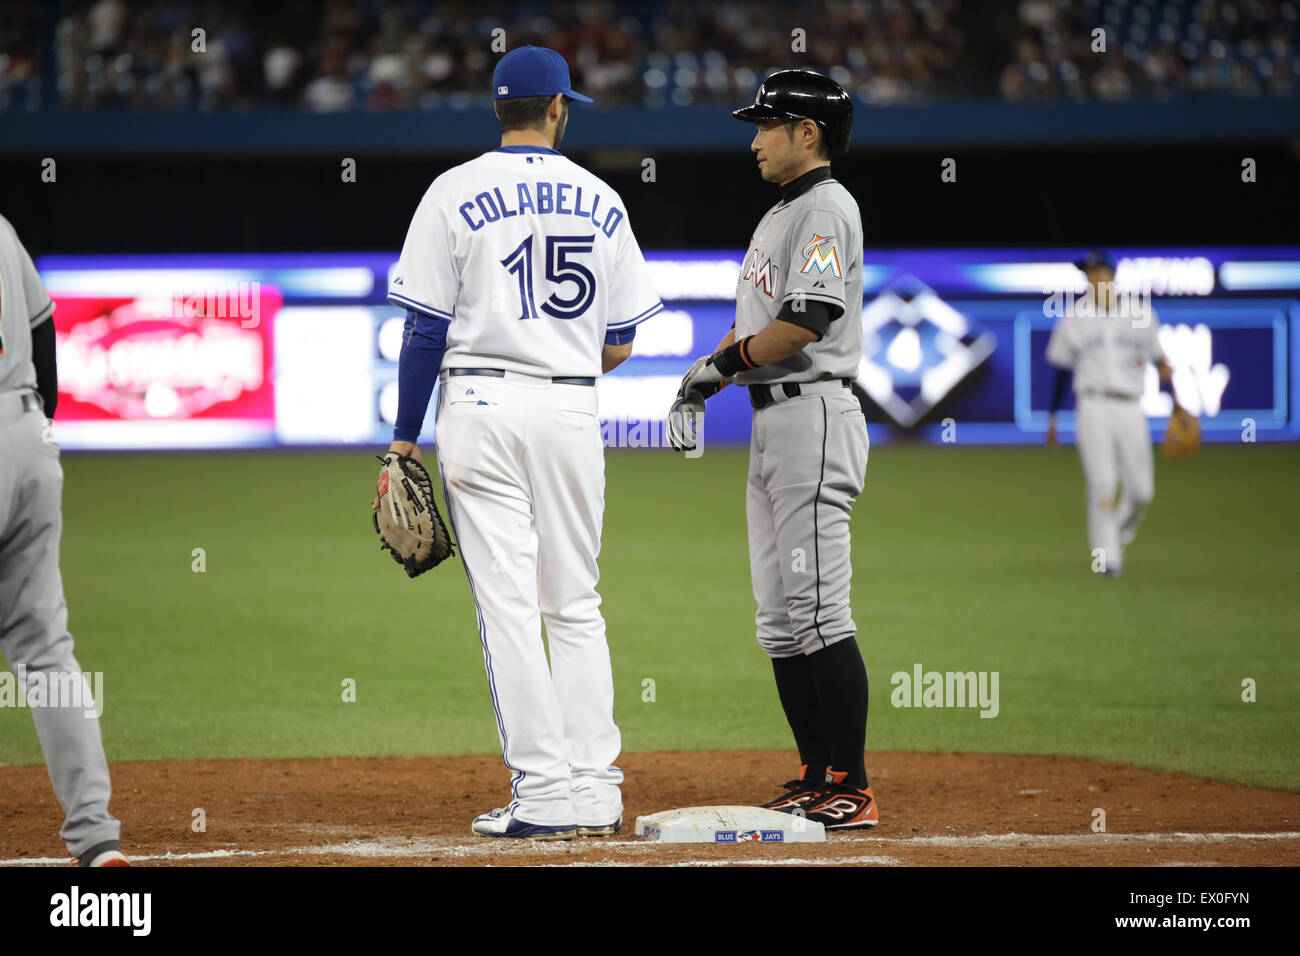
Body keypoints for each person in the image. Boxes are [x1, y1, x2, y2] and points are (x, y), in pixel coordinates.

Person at [385, 46, 663, 840]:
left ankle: (542, 795)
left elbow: (424, 329)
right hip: (573, 408)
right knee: (575, 602)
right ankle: (596, 789)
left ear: (499, 109)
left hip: (480, 404)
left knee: (509, 607)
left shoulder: (453, 190)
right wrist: (562, 347)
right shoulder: (602, 197)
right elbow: (619, 344)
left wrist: (404, 442)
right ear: (558, 110)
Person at [673, 71, 877, 829]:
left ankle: (850, 783)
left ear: (808, 133)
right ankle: (814, 774)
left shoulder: (826, 206)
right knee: (782, 619)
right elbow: (757, 326)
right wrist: (702, 379)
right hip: (774, 423)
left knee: (819, 610)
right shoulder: (784, 213)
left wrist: (722, 367)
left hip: (814, 416)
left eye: (767, 124)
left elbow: (807, 320)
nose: (754, 139)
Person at [0, 213, 128, 867]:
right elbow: (42, 333)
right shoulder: (0, 228)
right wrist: (32, 436)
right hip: (27, 438)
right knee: (47, 653)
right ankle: (96, 837)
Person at [1046, 249, 1173, 577]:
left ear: (1111, 275)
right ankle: (1106, 558)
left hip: (1131, 406)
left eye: (1097, 272)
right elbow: (1061, 371)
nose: (1092, 279)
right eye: (1087, 274)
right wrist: (1052, 417)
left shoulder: (1139, 312)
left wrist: (1179, 405)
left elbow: (1161, 363)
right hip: (1093, 404)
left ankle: (1114, 534)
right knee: (1103, 483)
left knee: (1142, 492)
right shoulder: (1074, 316)